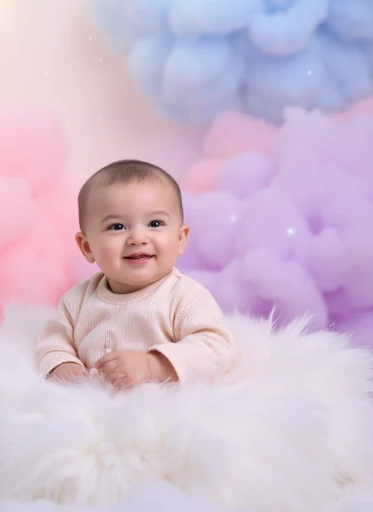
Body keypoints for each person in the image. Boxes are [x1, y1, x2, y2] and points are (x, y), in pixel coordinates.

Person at [35, 159, 234, 389]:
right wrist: (62, 364)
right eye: (117, 227)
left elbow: (216, 349)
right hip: (95, 409)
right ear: (87, 247)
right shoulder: (76, 301)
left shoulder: (185, 297)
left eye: (155, 223)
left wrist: (153, 365)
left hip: (162, 412)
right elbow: (53, 342)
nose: (138, 238)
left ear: (180, 239)